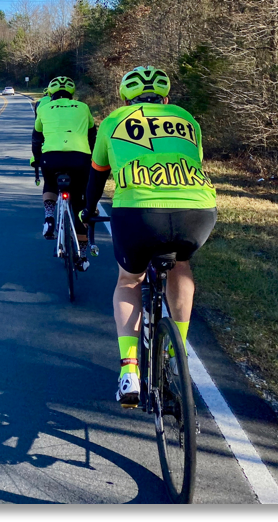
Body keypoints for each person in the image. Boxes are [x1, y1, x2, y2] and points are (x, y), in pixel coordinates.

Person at [81, 66, 217, 407]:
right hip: (196, 211)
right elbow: (194, 164)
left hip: (139, 212)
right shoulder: (187, 118)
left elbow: (97, 176)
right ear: (166, 98)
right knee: (181, 264)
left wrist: (87, 211)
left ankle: (129, 369)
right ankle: (177, 352)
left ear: (125, 98)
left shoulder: (114, 121)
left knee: (129, 280)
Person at [33, 76, 97, 271]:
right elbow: (92, 134)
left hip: (51, 158)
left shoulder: (43, 109)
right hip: (80, 159)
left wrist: (37, 161)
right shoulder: (83, 107)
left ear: (50, 93)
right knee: (80, 206)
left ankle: (49, 217)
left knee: (51, 184)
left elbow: (36, 139)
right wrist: (94, 159)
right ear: (72, 93)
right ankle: (83, 256)